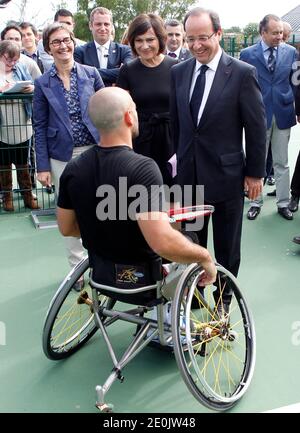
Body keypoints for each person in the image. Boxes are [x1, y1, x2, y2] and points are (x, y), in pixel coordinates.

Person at [56, 87, 216, 306]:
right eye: (134, 108)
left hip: (101, 273)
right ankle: (172, 315)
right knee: (190, 240)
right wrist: (204, 256)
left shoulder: (74, 168)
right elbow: (161, 242)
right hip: (142, 281)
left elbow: (67, 228)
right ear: (129, 117)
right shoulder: (143, 168)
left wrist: (108, 231)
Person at [170, 7, 266, 278]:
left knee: (226, 249)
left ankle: (223, 304)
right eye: (190, 39)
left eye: (203, 37)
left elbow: (256, 129)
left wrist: (255, 173)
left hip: (227, 178)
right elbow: (177, 124)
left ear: (219, 34)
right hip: (188, 178)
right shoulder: (178, 72)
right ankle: (192, 300)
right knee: (189, 245)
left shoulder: (242, 73)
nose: (196, 45)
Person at [33, 22, 104, 289]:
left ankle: (101, 262)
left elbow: (103, 111)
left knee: (101, 208)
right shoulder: (42, 83)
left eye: (66, 40)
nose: (63, 46)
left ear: (73, 42)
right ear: (48, 48)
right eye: (56, 42)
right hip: (61, 155)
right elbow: (39, 125)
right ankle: (77, 268)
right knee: (69, 212)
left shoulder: (91, 73)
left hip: (94, 151)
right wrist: (42, 166)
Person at [240, 14, 297, 221]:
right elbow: (241, 87)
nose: (280, 36)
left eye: (281, 32)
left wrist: (298, 109)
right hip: (257, 115)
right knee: (258, 161)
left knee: (282, 162)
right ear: (262, 33)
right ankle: (256, 203)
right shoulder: (247, 54)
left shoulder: (291, 52)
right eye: (275, 32)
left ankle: (283, 203)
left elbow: (295, 83)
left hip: (283, 113)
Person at [117, 13, 177, 187]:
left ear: (160, 39)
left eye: (150, 39)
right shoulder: (127, 70)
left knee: (174, 194)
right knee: (143, 195)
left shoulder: (176, 67)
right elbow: (123, 111)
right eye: (138, 40)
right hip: (140, 141)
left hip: (171, 141)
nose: (144, 46)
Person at [0, 40, 39, 212]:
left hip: (22, 121)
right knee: (3, 164)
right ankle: (7, 197)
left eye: (14, 60)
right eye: (8, 60)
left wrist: (30, 88)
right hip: (3, 124)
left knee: (24, 163)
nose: (11, 64)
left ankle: (28, 196)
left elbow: (32, 84)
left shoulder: (21, 68)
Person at [74, 7, 132, 86]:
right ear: (91, 26)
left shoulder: (124, 50)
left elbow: (127, 73)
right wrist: (116, 72)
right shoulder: (79, 52)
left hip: (116, 97)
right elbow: (78, 75)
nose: (102, 28)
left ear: (111, 26)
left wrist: (87, 71)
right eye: (98, 24)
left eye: (106, 24)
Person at [37, 8, 85, 73]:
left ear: (73, 25)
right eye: (61, 23)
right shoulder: (44, 43)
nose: (65, 26)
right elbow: (52, 66)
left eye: (68, 23)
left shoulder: (83, 45)